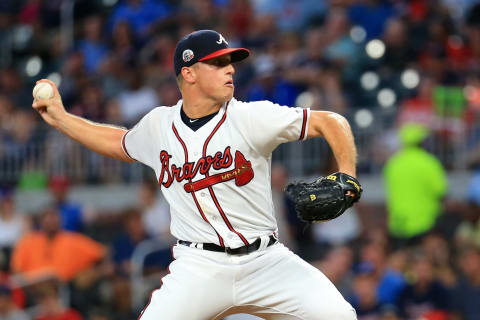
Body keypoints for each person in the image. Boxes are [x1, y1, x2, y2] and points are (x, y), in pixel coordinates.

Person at [32, 30, 361, 319]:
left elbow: (330, 121)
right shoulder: (159, 125)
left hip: (265, 260)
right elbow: (118, 143)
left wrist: (346, 173)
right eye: (217, 63)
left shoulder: (251, 117)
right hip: (199, 267)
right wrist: (61, 119)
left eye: (230, 62)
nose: (230, 69)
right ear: (188, 73)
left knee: (338, 315)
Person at [383, 123, 448, 247]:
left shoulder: (392, 164)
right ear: (422, 142)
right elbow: (441, 192)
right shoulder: (429, 162)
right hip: (425, 223)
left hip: (398, 223)